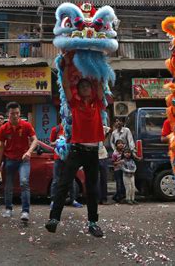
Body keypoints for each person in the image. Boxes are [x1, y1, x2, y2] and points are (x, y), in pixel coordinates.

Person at [46, 54, 105, 237]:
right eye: (82, 86)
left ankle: (93, 223)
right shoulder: (74, 103)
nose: (86, 88)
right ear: (79, 90)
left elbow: (101, 85)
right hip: (76, 149)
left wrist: (99, 63)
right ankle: (54, 219)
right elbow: (65, 86)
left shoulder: (97, 103)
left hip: (93, 151)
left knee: (92, 189)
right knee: (63, 184)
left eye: (88, 86)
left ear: (91, 89)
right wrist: (64, 66)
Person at [0, 102, 38, 221]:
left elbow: (35, 140)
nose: (15, 116)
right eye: (12, 113)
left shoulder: (26, 125)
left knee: (24, 183)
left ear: (19, 113)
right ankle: (8, 209)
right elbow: (1, 147)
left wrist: (29, 152)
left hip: (23, 160)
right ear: (7, 114)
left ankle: (25, 211)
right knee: (8, 186)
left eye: (17, 113)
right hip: (9, 160)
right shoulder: (4, 128)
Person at [49, 123, 83, 209]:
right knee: (56, 179)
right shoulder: (55, 129)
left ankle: (73, 200)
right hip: (58, 158)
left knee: (71, 179)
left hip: (69, 157)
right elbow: (51, 143)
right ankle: (53, 200)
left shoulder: (73, 129)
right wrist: (58, 143)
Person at [97, 125, 111, 205]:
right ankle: (98, 198)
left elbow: (109, 130)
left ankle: (104, 198)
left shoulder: (102, 127)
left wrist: (104, 138)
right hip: (94, 157)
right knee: (96, 179)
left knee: (104, 178)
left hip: (103, 156)